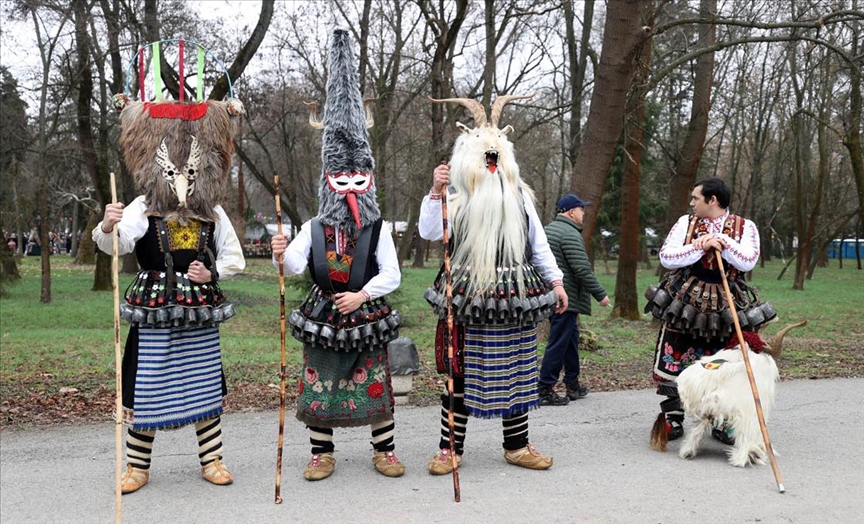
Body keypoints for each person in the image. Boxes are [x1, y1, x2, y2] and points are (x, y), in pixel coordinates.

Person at [93, 78, 246, 494]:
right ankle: (137, 467)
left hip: (198, 308)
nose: (181, 177)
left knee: (202, 378)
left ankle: (212, 459)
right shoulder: (143, 206)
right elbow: (116, 244)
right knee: (148, 381)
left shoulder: (211, 212)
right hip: (154, 307)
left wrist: (212, 274)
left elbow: (234, 258)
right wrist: (107, 225)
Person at [270, 29, 404, 482]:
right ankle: (321, 454)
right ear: (328, 180)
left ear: (367, 177)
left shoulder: (376, 227)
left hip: (365, 312)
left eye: (356, 177)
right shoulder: (313, 228)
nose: (348, 185)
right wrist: (279, 255)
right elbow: (292, 267)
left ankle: (384, 452)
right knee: (320, 382)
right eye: (339, 177)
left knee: (373, 380)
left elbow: (393, 274)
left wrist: (363, 296)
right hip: (324, 314)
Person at [420, 94, 567, 474]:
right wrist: (435, 193)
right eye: (483, 155)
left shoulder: (519, 197)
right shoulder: (455, 196)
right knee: (461, 371)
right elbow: (429, 231)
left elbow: (539, 244)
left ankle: (517, 446)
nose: (490, 163)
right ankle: (449, 449)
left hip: (515, 294)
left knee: (517, 369)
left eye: (495, 156)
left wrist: (557, 281)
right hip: (467, 295)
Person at [645, 178, 775, 446]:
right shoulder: (686, 223)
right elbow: (667, 257)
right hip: (686, 301)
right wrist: (699, 245)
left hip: (727, 302)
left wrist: (723, 242)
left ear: (712, 200)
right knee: (676, 352)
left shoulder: (745, 227)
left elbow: (748, 260)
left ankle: (722, 419)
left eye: (696, 198)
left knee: (725, 359)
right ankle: (673, 415)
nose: (692, 203)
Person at [538, 194, 610, 406]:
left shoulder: (548, 230)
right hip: (564, 298)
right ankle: (544, 388)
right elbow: (581, 269)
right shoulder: (569, 233)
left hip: (551, 294)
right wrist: (600, 295)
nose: (583, 213)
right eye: (581, 209)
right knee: (559, 342)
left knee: (570, 340)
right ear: (571, 212)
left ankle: (572, 384)